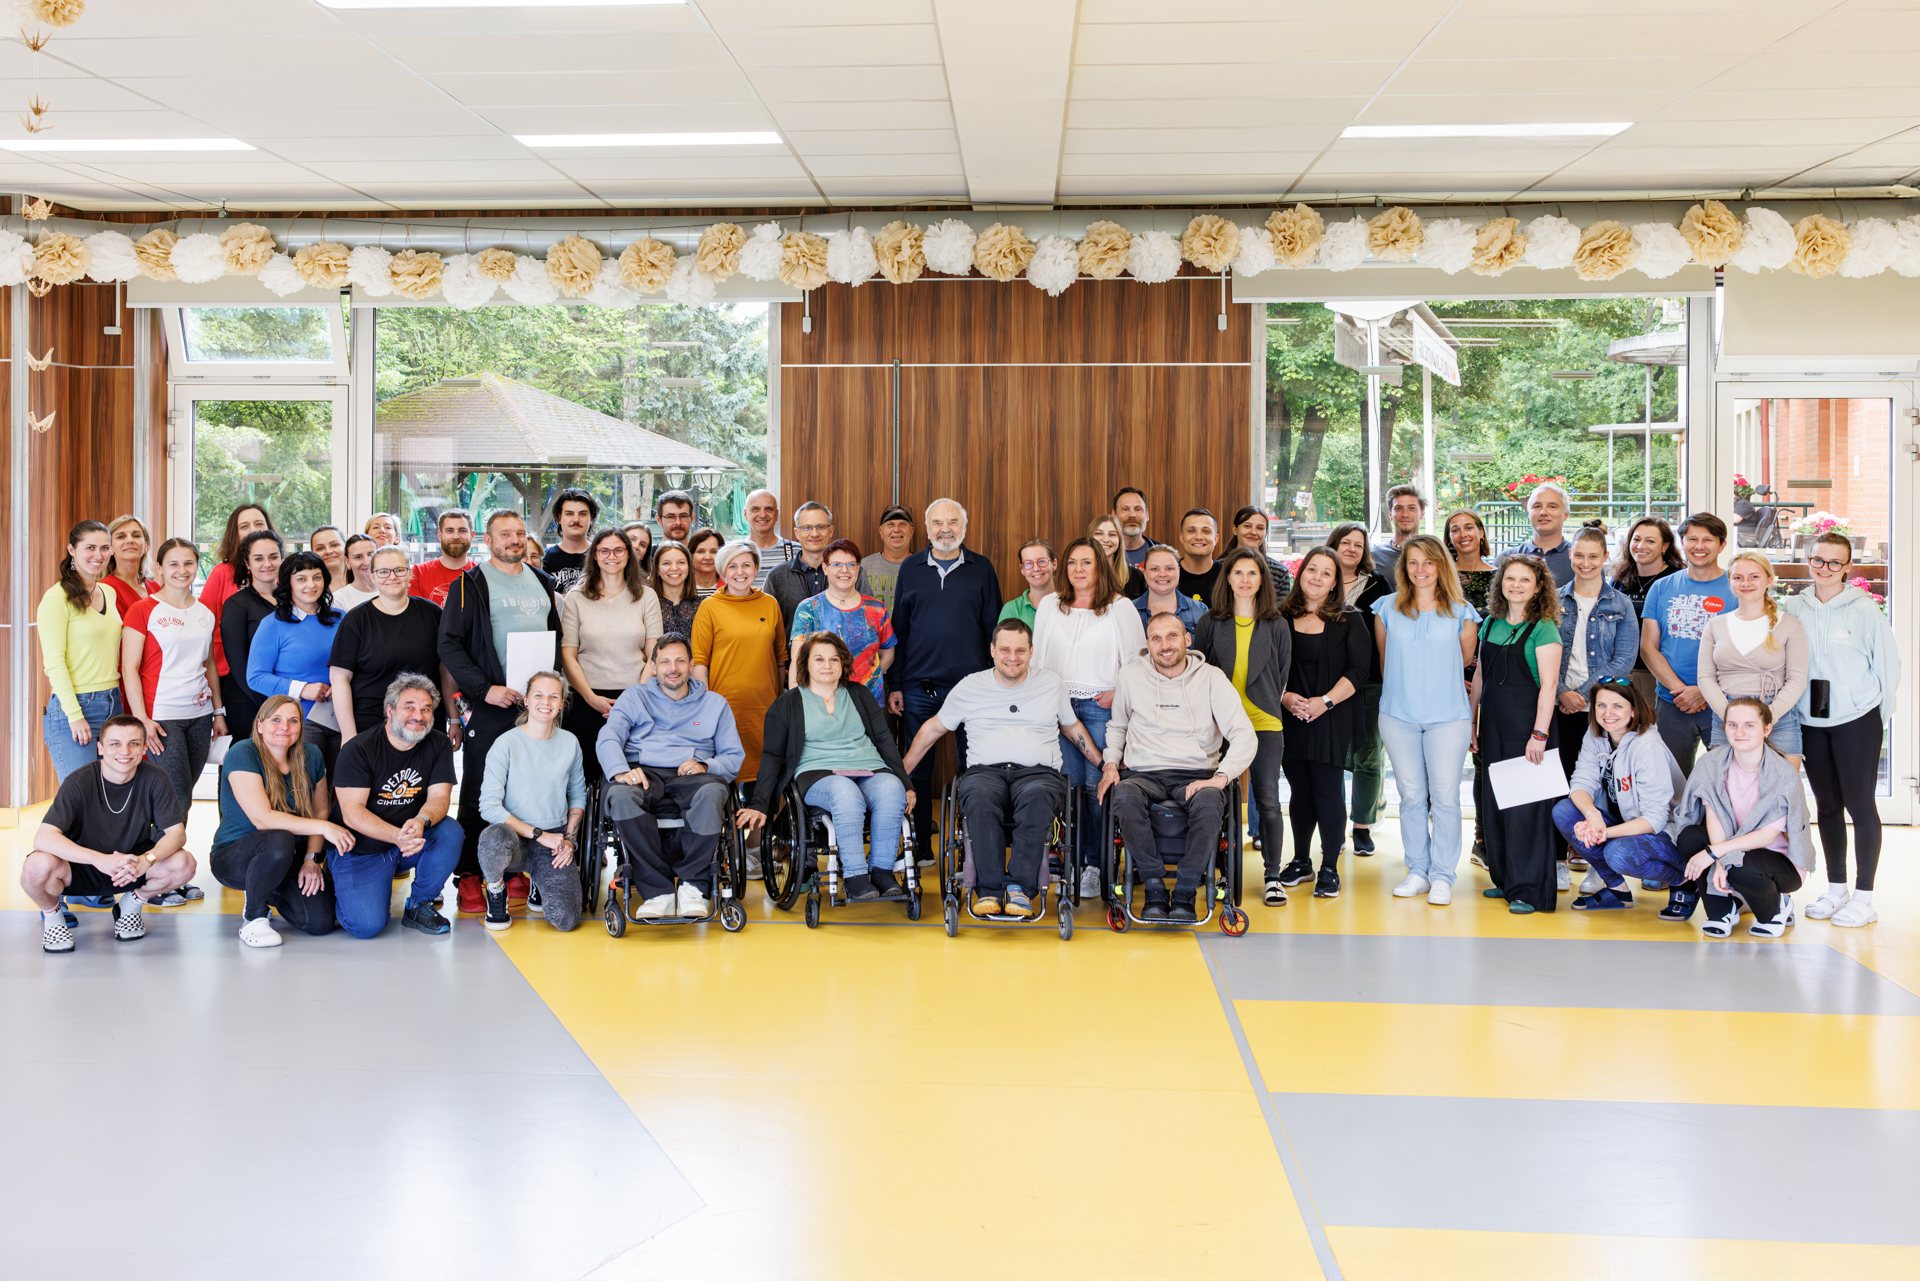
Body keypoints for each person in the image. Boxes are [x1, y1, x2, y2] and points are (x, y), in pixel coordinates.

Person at [902, 618, 1100, 915]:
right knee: (979, 799)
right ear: (992, 650)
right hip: (985, 772)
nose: (1012, 657)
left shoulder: (1051, 683)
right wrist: (901, 774)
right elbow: (932, 729)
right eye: (1005, 650)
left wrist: (1104, 763)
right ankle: (990, 891)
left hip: (1038, 773)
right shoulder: (971, 685)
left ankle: (1020, 889)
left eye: (1020, 650)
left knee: (1038, 797)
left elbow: (1072, 728)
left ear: (1031, 652)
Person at [439, 510, 560, 912]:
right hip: (492, 703)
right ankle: (470, 874)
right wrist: (484, 690)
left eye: (520, 533)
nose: (514, 540)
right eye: (504, 534)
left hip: (535, 707)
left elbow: (556, 639)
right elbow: (449, 645)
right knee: (480, 788)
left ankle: (513, 868)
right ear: (487, 540)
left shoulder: (543, 581)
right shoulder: (468, 584)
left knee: (527, 788)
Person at [1099, 612, 1257, 922]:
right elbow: (1117, 727)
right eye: (1156, 639)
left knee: (1212, 801)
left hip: (1197, 773)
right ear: (1148, 644)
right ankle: (1154, 887)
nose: (1165, 645)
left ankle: (1185, 890)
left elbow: (1244, 734)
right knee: (1124, 795)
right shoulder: (1130, 677)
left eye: (1172, 636)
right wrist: (1110, 764)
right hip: (1144, 773)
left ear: (1187, 639)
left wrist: (1221, 777)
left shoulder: (1212, 678)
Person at [741, 631, 912, 901]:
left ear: (843, 664)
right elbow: (772, 756)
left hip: (868, 767)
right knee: (845, 791)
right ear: (806, 664)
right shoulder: (788, 704)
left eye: (834, 659)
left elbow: (883, 740)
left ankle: (882, 872)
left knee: (892, 789)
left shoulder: (859, 694)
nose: (827, 665)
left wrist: (906, 783)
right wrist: (760, 803)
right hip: (819, 774)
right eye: (819, 659)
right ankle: (856, 876)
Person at [1784, 531, 1900, 929]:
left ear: (1848, 567)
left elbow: (1888, 667)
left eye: (1835, 562)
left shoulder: (1864, 609)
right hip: (1811, 720)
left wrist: (1874, 718)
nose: (1825, 568)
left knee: (1860, 805)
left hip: (1857, 719)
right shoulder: (1793, 607)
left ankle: (1865, 898)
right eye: (1818, 560)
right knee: (1827, 806)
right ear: (1809, 560)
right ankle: (1837, 890)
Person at [1034, 536, 1150, 899]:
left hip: (1101, 708)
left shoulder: (1120, 607)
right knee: (1066, 789)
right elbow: (1037, 660)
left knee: (1096, 789)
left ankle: (1096, 866)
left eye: (1087, 562)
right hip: (1058, 709)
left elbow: (1137, 663)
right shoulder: (1050, 604)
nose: (1078, 569)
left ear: (1101, 566)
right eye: (1072, 562)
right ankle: (1070, 864)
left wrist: (1119, 693)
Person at [596, 634, 744, 920]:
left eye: (679, 661)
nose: (672, 668)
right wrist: (621, 770)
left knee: (714, 792)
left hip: (692, 772)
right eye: (665, 662)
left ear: (691, 664)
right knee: (620, 797)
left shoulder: (715, 703)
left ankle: (693, 886)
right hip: (642, 770)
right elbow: (609, 736)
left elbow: (733, 755)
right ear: (653, 666)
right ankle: (657, 891)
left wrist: (706, 766)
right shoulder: (634, 696)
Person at [887, 498, 1003, 861]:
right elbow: (899, 631)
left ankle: (973, 849)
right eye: (937, 522)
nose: (945, 529)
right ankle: (920, 846)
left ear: (964, 527)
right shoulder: (911, 568)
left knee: (974, 771)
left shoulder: (982, 568)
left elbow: (994, 630)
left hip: (972, 689)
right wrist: (895, 684)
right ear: (926, 528)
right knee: (918, 771)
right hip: (918, 688)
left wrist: (996, 684)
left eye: (953, 521)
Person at [20, 715, 194, 952]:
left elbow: (176, 834)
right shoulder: (79, 781)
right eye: (115, 744)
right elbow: (43, 837)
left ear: (144, 748)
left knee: (183, 863)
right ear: (100, 748)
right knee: (35, 867)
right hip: (81, 866)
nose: (125, 751)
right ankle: (53, 918)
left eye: (134, 743)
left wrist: (147, 860)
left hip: (132, 865)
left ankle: (130, 907)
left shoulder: (156, 777)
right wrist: (99, 859)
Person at [1372, 534, 1479, 906]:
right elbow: (1385, 662)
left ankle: (1443, 876)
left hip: (1447, 717)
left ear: (1441, 565)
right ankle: (1418, 870)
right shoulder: (1386, 608)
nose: (1420, 569)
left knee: (1446, 797)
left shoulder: (1462, 612)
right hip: (1397, 715)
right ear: (1404, 567)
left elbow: (1464, 661)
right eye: (1413, 562)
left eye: (1429, 562)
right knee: (1411, 796)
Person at [1670, 697, 1814, 937]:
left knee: (1739, 865)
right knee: (1689, 837)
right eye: (1732, 725)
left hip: (1777, 860)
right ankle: (1723, 910)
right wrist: (1718, 858)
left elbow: (1766, 836)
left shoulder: (1783, 773)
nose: (1739, 732)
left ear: (1766, 729)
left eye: (1749, 725)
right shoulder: (1711, 764)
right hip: (1729, 848)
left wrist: (1716, 855)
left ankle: (1778, 906)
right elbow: (1714, 817)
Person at [1194, 547, 1291, 903]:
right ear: (1228, 579)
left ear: (1262, 580)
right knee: (1216, 798)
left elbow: (1281, 675)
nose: (1245, 579)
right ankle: (1220, 872)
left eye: (1252, 573)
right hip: (1219, 725)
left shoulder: (1277, 624)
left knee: (1268, 800)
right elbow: (1199, 670)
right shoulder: (1210, 622)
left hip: (1264, 722)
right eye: (1238, 573)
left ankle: (1272, 876)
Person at [329, 674, 460, 937]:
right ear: (389, 710)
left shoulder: (438, 743)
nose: (418, 716)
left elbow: (440, 797)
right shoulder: (359, 749)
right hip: (361, 849)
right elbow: (352, 813)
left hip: (406, 843)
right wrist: (396, 836)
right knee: (366, 927)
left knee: (449, 831)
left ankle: (418, 904)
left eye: (426, 709)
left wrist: (422, 821)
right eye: (409, 707)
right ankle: (341, 884)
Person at [120, 539, 225, 864]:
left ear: (197, 565)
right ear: (160, 568)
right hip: (160, 717)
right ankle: (154, 870)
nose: (182, 570)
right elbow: (129, 668)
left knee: (184, 794)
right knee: (175, 795)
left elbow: (209, 664)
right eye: (174, 564)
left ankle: (166, 868)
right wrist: (142, 719)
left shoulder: (205, 612)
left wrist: (218, 711)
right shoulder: (143, 610)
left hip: (200, 714)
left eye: (189, 563)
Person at [210, 696, 346, 946]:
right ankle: (254, 917)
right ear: (260, 725)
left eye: (293, 721)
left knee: (320, 922)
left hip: (287, 856)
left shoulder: (311, 754)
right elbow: (263, 819)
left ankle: (264, 888)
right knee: (279, 837)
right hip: (236, 858)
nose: (285, 727)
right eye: (276, 720)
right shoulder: (243, 752)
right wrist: (324, 827)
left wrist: (311, 859)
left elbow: (320, 810)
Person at [1274, 548, 1369, 899]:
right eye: (1311, 569)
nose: (1317, 577)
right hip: (1292, 716)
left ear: (1334, 583)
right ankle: (1301, 860)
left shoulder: (1349, 618)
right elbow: (1268, 667)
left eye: (1326, 573)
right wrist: (1285, 697)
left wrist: (1324, 702)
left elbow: (1358, 671)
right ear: (1300, 575)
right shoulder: (1279, 617)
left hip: (1332, 715)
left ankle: (1329, 866)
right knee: (1299, 792)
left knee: (1328, 792)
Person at [1473, 554, 1564, 915]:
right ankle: (1506, 879)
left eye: (1525, 579)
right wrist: (1472, 721)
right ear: (1501, 583)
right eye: (1510, 578)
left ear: (1539, 587)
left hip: (1528, 729)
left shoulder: (1544, 628)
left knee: (1526, 810)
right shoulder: (1490, 622)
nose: (1516, 585)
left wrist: (1539, 734)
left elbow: (1550, 685)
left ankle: (1529, 890)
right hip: (1493, 727)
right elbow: (1480, 675)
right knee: (1496, 804)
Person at [1555, 522, 1640, 889]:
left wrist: (1582, 694)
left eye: (1594, 556)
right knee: (1559, 783)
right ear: (1570, 556)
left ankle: (1598, 863)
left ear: (1605, 557)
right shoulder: (1553, 600)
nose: (1586, 563)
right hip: (1558, 705)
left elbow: (1623, 660)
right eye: (1579, 555)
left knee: (1603, 788)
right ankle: (1558, 860)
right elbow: (1541, 654)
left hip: (1602, 710)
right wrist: (1561, 692)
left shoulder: (1621, 604)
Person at [1552, 679, 1686, 912]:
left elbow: (1655, 819)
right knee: (1564, 811)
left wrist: (1602, 832)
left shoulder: (1648, 746)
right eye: (1601, 705)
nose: (1608, 713)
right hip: (1626, 825)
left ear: (1633, 710)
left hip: (1668, 832)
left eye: (1617, 706)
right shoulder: (1597, 735)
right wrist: (1593, 816)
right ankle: (1618, 891)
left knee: (1618, 853)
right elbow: (1581, 783)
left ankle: (1685, 881)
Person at [478, 671, 586, 932]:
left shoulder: (570, 742)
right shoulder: (505, 744)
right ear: (526, 700)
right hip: (513, 836)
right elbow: (488, 807)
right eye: (538, 695)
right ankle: (496, 890)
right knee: (493, 839)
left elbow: (578, 795)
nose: (545, 702)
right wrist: (538, 835)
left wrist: (570, 840)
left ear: (561, 704)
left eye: (553, 697)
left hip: (554, 838)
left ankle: (540, 882)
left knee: (566, 920)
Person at [561, 527, 663, 783]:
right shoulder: (576, 598)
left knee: (632, 777)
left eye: (618, 550)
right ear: (595, 555)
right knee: (586, 776)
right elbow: (568, 655)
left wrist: (636, 699)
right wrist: (591, 698)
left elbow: (654, 654)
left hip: (636, 698)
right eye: (604, 551)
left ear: (629, 554)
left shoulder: (647, 596)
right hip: (586, 699)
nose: (612, 556)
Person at [329, 545, 456, 746]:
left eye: (399, 570)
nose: (392, 577)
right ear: (372, 576)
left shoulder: (433, 614)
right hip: (371, 726)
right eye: (383, 572)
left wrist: (454, 718)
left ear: (410, 573)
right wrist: (349, 735)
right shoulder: (356, 620)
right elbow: (339, 679)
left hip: (424, 724)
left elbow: (447, 671)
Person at [1698, 551, 1808, 772]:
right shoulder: (1715, 625)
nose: (1746, 583)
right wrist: (1731, 717)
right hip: (1726, 711)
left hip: (1777, 714)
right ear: (1730, 582)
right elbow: (1705, 677)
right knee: (1725, 786)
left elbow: (1797, 679)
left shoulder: (1790, 624)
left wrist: (1767, 718)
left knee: (1783, 786)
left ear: (1769, 580)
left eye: (1754, 577)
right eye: (1738, 577)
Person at [1640, 512, 1734, 774]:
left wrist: (1705, 690)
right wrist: (1681, 690)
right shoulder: (1661, 587)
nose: (1699, 546)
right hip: (1672, 701)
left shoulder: (1737, 588)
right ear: (1682, 543)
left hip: (1723, 702)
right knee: (1672, 781)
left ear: (1722, 545)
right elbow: (1648, 647)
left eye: (1708, 539)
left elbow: (1745, 653)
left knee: (1726, 779)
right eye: (1692, 539)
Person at [693, 542, 788, 790]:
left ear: (756, 568)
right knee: (724, 776)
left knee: (764, 780)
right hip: (724, 707)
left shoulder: (770, 604)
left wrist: (778, 699)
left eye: (746, 565)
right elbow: (700, 662)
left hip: (764, 709)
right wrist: (705, 705)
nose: (740, 572)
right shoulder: (709, 607)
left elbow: (780, 658)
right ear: (722, 572)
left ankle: (759, 818)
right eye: (732, 566)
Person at [40, 520, 125, 783]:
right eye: (90, 547)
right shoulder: (56, 598)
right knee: (81, 796)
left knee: (111, 792)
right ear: (72, 550)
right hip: (76, 707)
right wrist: (75, 715)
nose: (98, 555)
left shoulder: (108, 592)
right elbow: (54, 663)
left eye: (104, 548)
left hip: (113, 702)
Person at [246, 551, 345, 777]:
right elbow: (256, 677)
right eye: (301, 579)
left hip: (343, 717)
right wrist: (302, 689)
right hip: (300, 720)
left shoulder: (342, 619)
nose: (311, 585)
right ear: (287, 583)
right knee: (304, 788)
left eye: (317, 577)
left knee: (341, 789)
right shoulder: (272, 624)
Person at [1329, 522, 1391, 856]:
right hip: (1328, 682)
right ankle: (1333, 826)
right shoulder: (1319, 577)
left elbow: (1386, 631)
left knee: (1368, 754)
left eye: (1358, 544)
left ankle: (1362, 826)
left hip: (1370, 681)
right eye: (1345, 542)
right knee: (1331, 756)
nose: (1351, 549)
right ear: (1334, 545)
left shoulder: (1378, 583)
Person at [787, 539, 894, 701]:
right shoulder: (809, 609)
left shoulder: (877, 609)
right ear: (825, 568)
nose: (844, 570)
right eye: (837, 565)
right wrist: (797, 703)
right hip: (822, 702)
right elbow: (797, 663)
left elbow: (888, 655)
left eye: (851, 564)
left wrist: (864, 679)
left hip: (868, 702)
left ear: (858, 568)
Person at [1610, 515, 1683, 711]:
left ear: (1665, 546)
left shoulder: (1677, 580)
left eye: (1650, 541)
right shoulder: (1619, 580)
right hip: (1623, 671)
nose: (1641, 546)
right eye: (1636, 539)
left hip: (1659, 673)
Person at [218, 530, 284, 741]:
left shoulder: (294, 600)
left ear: (282, 559)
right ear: (247, 563)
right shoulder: (237, 605)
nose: (267, 564)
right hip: (249, 701)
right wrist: (270, 707)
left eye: (273, 557)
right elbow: (239, 665)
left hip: (288, 698)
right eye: (258, 558)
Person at [767, 501, 867, 629]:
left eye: (820, 527)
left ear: (830, 531)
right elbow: (767, 628)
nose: (814, 533)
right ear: (797, 533)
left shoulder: (852, 573)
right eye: (807, 527)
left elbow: (868, 620)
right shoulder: (776, 576)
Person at [199, 503, 275, 642]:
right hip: (228, 652)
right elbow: (203, 623)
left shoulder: (283, 570)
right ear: (235, 534)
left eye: (259, 524)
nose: (253, 530)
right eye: (244, 526)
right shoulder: (220, 572)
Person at [1133, 544, 1207, 639]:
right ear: (1145, 573)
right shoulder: (1130, 610)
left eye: (1169, 568)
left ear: (1178, 571)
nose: (1162, 574)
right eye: (1154, 569)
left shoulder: (1200, 610)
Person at [1511, 481, 1574, 586]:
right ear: (1529, 514)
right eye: (1537, 506)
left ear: (1566, 514)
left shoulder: (1581, 562)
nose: (1543, 512)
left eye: (1552, 506)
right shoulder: (1507, 559)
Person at [541, 486, 600, 597]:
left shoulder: (602, 555)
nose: (576, 519)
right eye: (569, 514)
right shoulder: (544, 558)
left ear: (591, 519)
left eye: (582, 514)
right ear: (559, 518)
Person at [410, 508, 474, 608]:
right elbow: (415, 613)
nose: (456, 536)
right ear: (440, 535)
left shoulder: (482, 575)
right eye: (449, 531)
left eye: (462, 531)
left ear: (472, 535)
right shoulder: (418, 573)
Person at [1230, 505, 1293, 598]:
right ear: (1235, 530)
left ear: (1266, 534)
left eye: (1260, 528)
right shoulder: (1219, 568)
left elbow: (1282, 607)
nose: (1253, 532)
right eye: (1247, 526)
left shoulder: (1280, 572)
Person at [860, 504, 916, 611]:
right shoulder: (864, 567)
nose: (896, 529)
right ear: (881, 532)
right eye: (890, 524)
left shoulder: (924, 567)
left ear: (912, 531)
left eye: (902, 524)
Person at [744, 489, 801, 589]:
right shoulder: (733, 553)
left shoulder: (796, 551)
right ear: (746, 514)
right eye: (755, 509)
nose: (762, 515)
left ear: (776, 515)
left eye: (769, 509)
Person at [101, 514, 155, 617]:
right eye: (121, 536)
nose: (130, 540)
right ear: (110, 548)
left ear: (145, 546)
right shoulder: (105, 589)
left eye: (136, 535)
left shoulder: (155, 586)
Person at [1370, 485, 1424, 583]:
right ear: (1390, 514)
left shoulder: (1435, 553)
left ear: (1422, 514)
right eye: (1398, 508)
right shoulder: (1374, 556)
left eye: (1412, 508)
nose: (1405, 514)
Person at [999, 538, 1056, 630]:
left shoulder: (1071, 603)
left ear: (1054, 564)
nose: (1036, 569)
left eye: (1041, 561)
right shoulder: (1012, 609)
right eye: (1029, 563)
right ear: (1022, 570)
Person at [1444, 508, 1497, 609]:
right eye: (1455, 530)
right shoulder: (1441, 575)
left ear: (1481, 533)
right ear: (1449, 538)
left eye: (1468, 528)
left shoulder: (1498, 576)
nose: (1463, 535)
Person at [1089, 514, 1147, 599]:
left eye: (1112, 534)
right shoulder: (1080, 574)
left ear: (1119, 540)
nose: (1106, 540)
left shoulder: (1136, 577)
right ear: (1090, 539)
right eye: (1099, 533)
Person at [652, 540, 701, 637]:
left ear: (689, 567)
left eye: (681, 562)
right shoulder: (647, 605)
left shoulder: (702, 605)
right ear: (657, 569)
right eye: (666, 563)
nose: (674, 568)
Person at [1174, 509, 1222, 604]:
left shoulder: (1227, 575)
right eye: (1191, 531)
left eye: (1206, 531)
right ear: (1181, 537)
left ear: (1215, 539)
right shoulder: (1168, 575)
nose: (1198, 537)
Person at [1113, 486, 1157, 568]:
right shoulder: (1101, 554)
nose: (1132, 515)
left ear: (1147, 515)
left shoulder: (1164, 553)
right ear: (1114, 514)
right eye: (1125, 509)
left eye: (1138, 509)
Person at [333, 535, 378, 612]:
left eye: (371, 555)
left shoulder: (392, 591)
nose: (367, 562)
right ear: (347, 562)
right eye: (358, 557)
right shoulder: (338, 600)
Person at [687, 526, 725, 598]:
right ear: (691, 555)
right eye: (700, 551)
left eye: (713, 551)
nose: (707, 557)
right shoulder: (680, 588)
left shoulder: (731, 588)